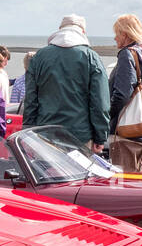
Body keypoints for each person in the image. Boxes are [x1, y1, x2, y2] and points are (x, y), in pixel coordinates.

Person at [23, 14, 109, 152]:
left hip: (45, 133)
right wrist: (100, 136)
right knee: (79, 173)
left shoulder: (39, 57)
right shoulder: (91, 57)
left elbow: (31, 99)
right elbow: (100, 102)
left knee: (45, 172)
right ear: (83, 32)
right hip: (80, 135)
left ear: (59, 30)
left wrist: (27, 132)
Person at [107, 14, 142, 172]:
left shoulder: (127, 55)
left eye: (117, 34)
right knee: (134, 180)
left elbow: (122, 94)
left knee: (122, 185)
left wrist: (108, 115)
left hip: (125, 132)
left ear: (124, 34)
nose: (115, 38)